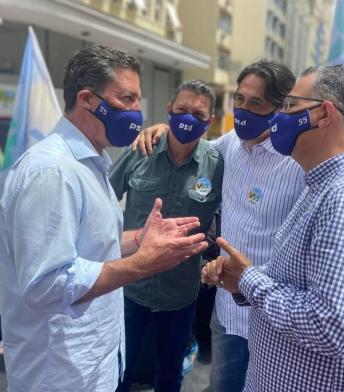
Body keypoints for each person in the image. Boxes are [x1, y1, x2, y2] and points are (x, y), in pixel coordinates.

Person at [0, 45, 208, 392]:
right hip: (59, 374)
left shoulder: (92, 163)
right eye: (127, 98)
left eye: (138, 100)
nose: (138, 112)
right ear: (86, 99)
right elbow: (46, 283)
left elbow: (91, 244)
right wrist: (143, 264)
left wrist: (140, 239)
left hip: (92, 363)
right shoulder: (52, 171)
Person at [202, 65, 344, 391]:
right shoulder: (322, 184)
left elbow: (329, 327)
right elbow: (298, 279)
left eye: (290, 106)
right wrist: (241, 278)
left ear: (324, 114)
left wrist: (248, 279)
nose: (279, 118)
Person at [132, 61, 306, 391]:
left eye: (255, 104)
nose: (242, 111)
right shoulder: (230, 145)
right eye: (239, 100)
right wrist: (161, 130)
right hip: (226, 313)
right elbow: (191, 148)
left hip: (272, 317)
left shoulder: (297, 161)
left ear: (279, 108)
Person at [109, 80, 223, 392]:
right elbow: (102, 200)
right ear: (168, 111)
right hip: (130, 286)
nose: (188, 119)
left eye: (197, 114)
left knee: (170, 375)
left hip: (180, 294)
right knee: (120, 370)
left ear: (210, 121)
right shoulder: (139, 150)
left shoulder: (217, 165)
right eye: (181, 110)